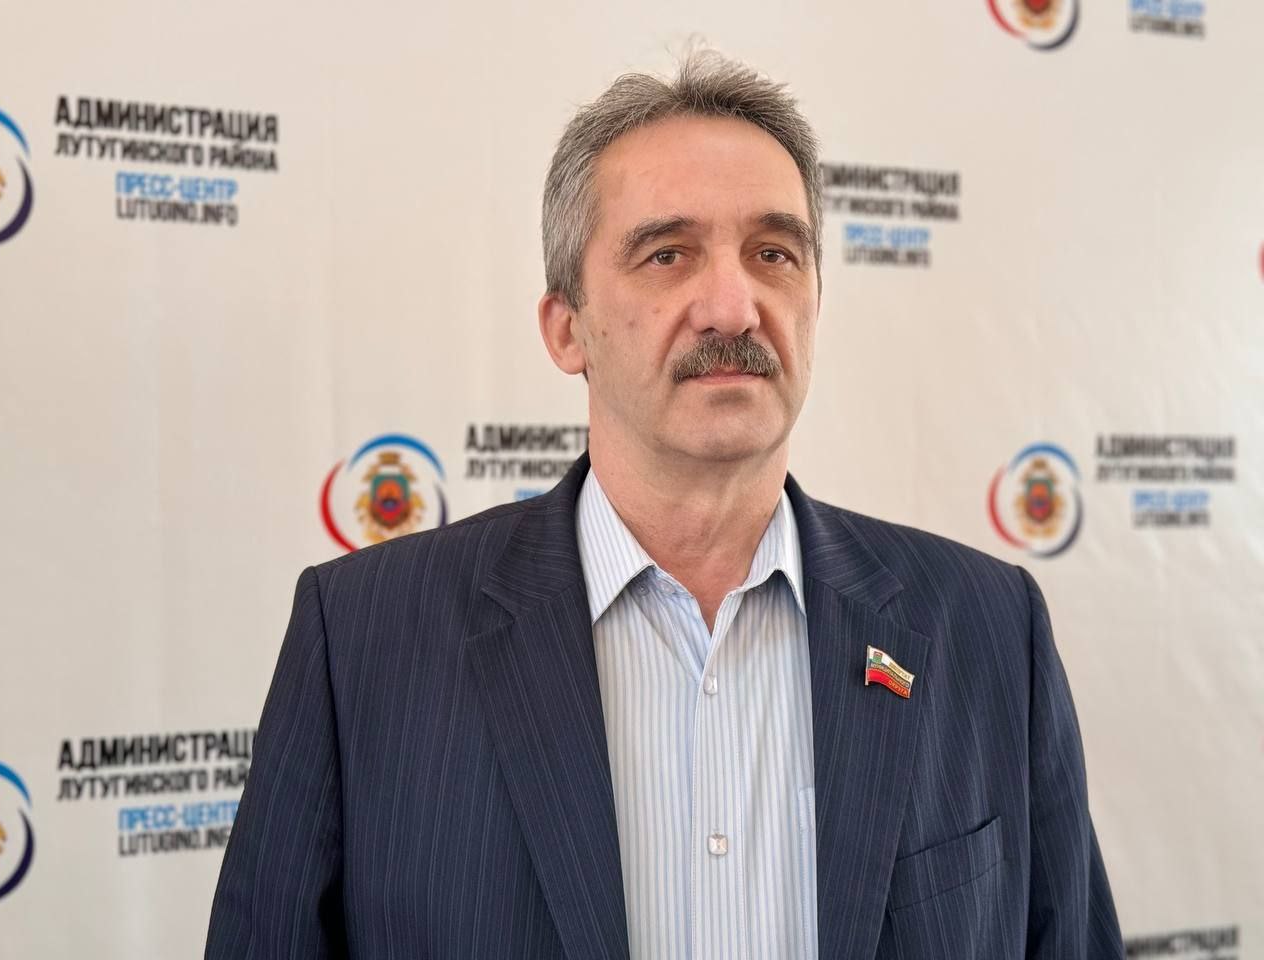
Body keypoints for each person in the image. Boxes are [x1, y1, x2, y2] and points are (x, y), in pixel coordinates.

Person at [205, 51, 1123, 959]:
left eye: (773, 254)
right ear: (567, 329)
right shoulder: (362, 640)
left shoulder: (988, 629)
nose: (732, 307)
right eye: (667, 255)